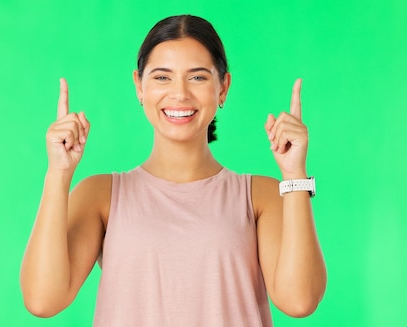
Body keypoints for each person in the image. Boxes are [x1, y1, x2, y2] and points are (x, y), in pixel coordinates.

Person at [20, 14, 326, 326]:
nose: (179, 94)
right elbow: (43, 300)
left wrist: (294, 175)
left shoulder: (261, 195)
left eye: (197, 77)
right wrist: (58, 173)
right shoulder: (100, 194)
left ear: (223, 88)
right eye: (162, 77)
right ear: (139, 86)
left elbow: (300, 301)